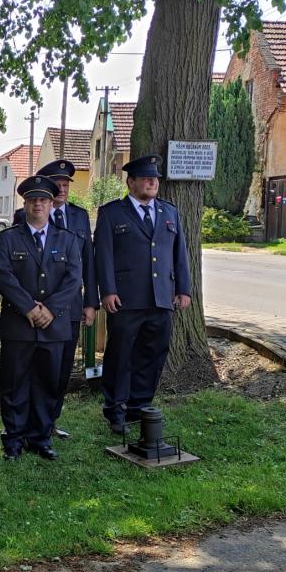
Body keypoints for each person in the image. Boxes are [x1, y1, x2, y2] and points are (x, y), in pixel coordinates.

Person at [0, 175, 96, 461]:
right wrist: (29, 307)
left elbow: (74, 278)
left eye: (43, 200)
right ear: (24, 204)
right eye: (32, 200)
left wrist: (50, 310)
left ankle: (40, 437)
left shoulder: (68, 239)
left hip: (54, 324)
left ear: (51, 204)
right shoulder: (8, 238)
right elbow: (2, 274)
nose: (38, 204)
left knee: (48, 383)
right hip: (19, 324)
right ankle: (14, 438)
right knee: (14, 384)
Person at [94, 154, 191, 433]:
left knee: (153, 354)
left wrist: (183, 289)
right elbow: (104, 255)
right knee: (120, 356)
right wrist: (107, 291)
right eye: (146, 178)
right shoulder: (112, 213)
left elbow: (179, 254)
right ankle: (115, 410)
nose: (152, 182)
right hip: (125, 299)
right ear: (131, 182)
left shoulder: (169, 212)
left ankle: (139, 406)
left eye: (155, 179)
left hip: (162, 298)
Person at [13, 159, 91, 439]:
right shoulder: (22, 217)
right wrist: (33, 307)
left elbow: (87, 263)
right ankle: (26, 424)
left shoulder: (79, 216)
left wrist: (90, 302)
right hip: (32, 310)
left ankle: (49, 421)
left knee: (60, 368)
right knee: (30, 370)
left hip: (68, 307)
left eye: (66, 184)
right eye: (57, 184)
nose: (63, 188)